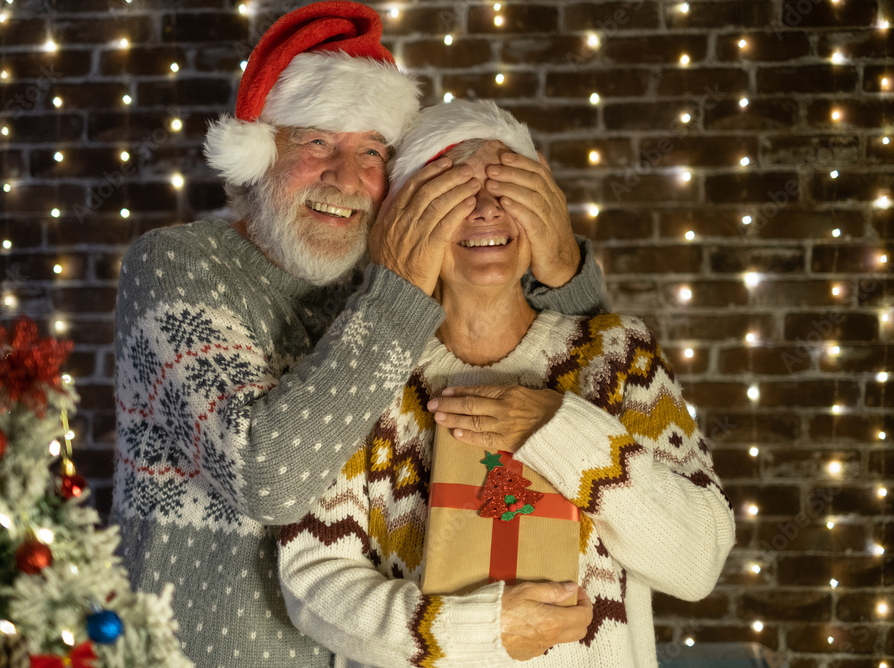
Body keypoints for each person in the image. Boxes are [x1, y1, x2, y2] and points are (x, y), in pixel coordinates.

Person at [111, 3, 610, 665]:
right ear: (261, 153)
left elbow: (589, 384)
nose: (344, 179)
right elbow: (266, 480)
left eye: (371, 152)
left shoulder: (390, 290)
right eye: (317, 142)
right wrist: (400, 292)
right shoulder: (178, 264)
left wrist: (561, 270)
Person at [277, 100, 737, 667]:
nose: (485, 211)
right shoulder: (363, 372)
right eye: (454, 190)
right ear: (405, 215)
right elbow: (313, 583)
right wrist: (479, 627)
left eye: (507, 186)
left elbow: (697, 559)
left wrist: (558, 425)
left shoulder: (619, 355)